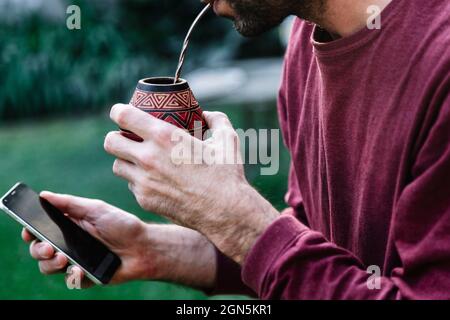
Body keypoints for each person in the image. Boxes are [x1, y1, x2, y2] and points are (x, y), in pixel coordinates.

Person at [22, 0, 450, 299]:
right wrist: (156, 249)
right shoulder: (305, 39)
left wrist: (239, 220)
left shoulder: (439, 63)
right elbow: (312, 255)